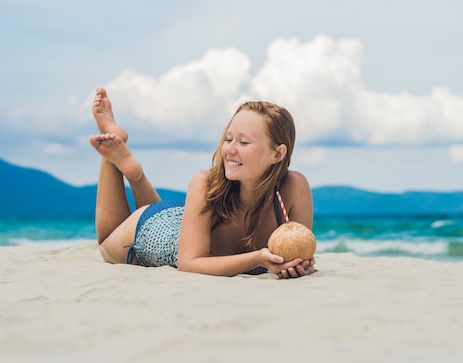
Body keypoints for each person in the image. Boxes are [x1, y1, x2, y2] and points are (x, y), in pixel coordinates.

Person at [89, 87, 315, 278]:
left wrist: (298, 266)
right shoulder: (205, 182)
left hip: (187, 223)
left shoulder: (294, 187)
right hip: (152, 232)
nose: (229, 150)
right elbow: (189, 264)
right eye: (228, 139)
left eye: (243, 142)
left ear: (278, 154)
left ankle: (136, 175)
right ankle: (111, 149)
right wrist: (258, 258)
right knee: (105, 242)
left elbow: (300, 254)